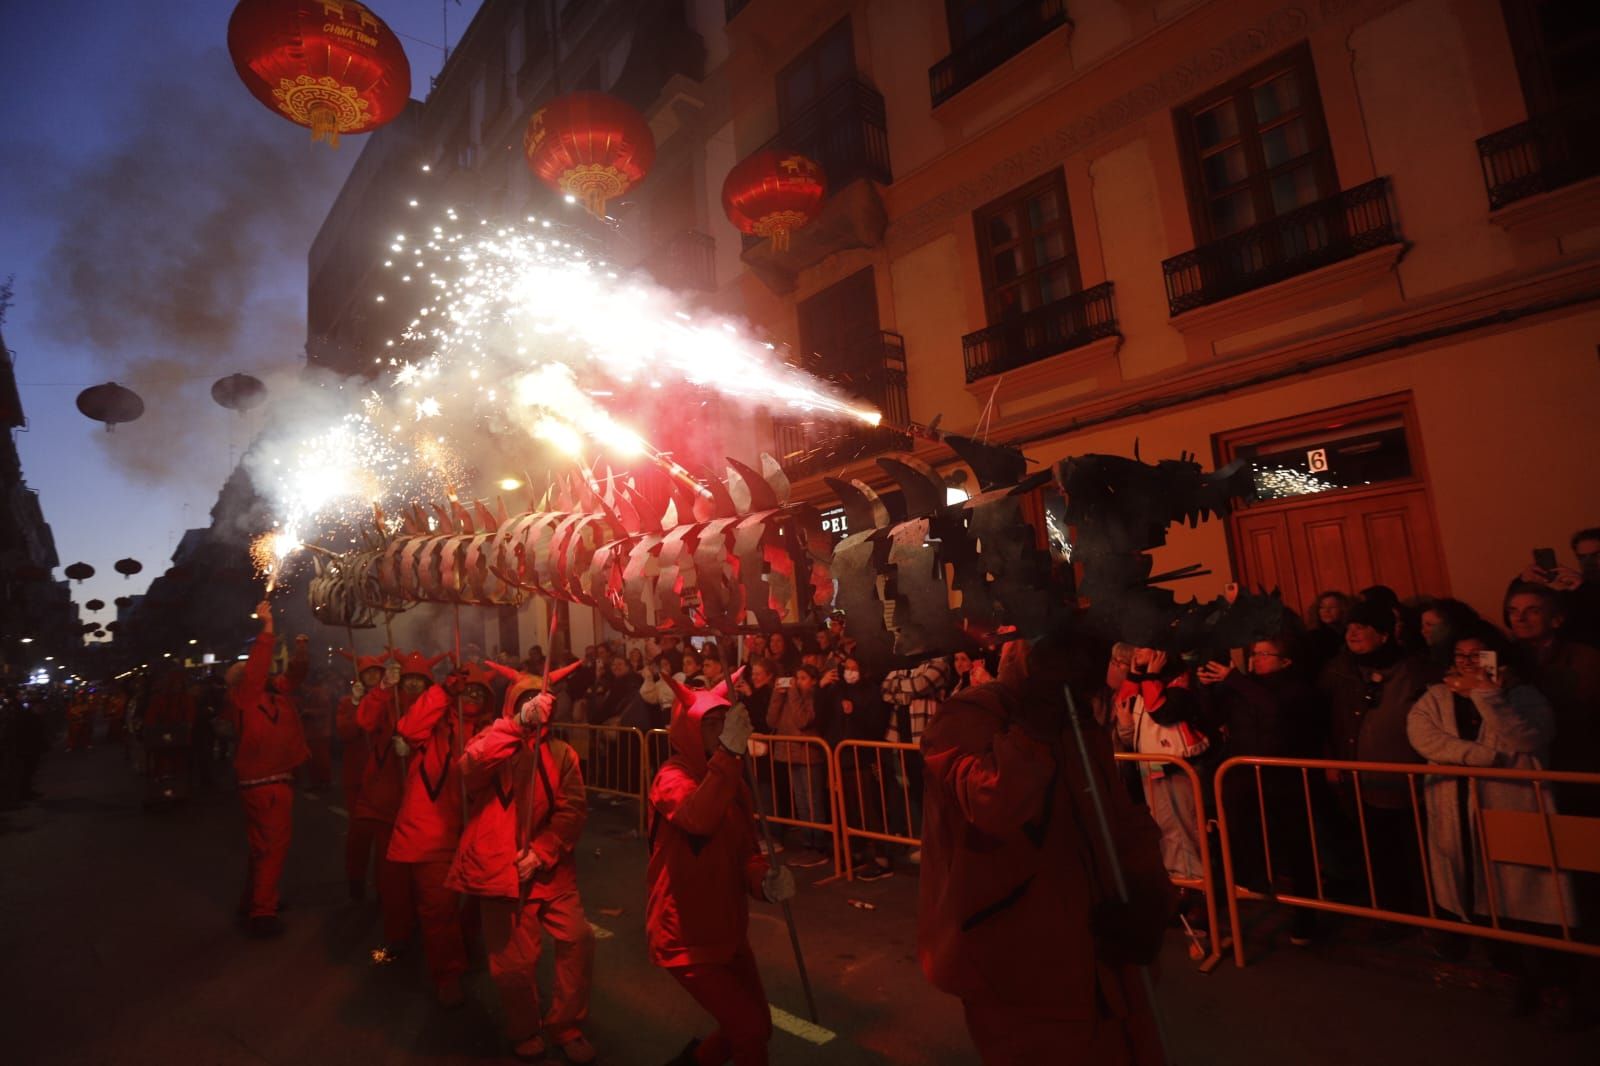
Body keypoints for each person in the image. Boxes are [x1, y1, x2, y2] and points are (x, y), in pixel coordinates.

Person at [919, 634, 1171, 1065]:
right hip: (1021, 962)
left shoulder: (1076, 718)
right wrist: (1034, 721)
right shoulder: (970, 711)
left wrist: (1150, 893)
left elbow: (1118, 815)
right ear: (1011, 649)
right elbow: (995, 803)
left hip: (1105, 947)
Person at [1407, 623, 1577, 1014]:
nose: (1468, 664)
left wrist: (1486, 695)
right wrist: (1479, 757)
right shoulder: (1435, 697)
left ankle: (1556, 982)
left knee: (1533, 899)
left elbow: (1527, 737)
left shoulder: (1522, 695)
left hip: (1513, 807)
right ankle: (1511, 978)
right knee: (1483, 897)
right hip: (1456, 809)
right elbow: (1423, 735)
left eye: (1477, 656)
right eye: (1461, 657)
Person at [448, 660, 596, 1064]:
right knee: (513, 964)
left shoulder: (562, 753)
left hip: (551, 871)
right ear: (513, 704)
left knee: (578, 941)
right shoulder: (492, 739)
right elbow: (470, 768)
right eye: (526, 699)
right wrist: (516, 724)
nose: (536, 706)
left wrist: (543, 853)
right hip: (501, 872)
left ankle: (565, 1023)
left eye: (540, 699)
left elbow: (572, 811)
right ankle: (525, 1028)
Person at [650, 676, 796, 1066]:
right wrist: (728, 755)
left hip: (728, 931)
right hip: (687, 936)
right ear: (688, 729)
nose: (717, 732)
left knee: (753, 1028)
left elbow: (746, 853)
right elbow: (698, 817)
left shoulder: (733, 781)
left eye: (721, 722)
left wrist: (764, 881)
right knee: (748, 1033)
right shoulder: (671, 777)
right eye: (707, 725)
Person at [384, 661, 499, 1008]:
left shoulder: (491, 730)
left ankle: (465, 945)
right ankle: (448, 973)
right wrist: (444, 691)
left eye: (481, 692)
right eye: (469, 690)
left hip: (476, 832)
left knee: (480, 901)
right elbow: (408, 727)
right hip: (430, 832)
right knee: (438, 908)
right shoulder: (435, 726)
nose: (473, 696)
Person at [1197, 634, 1322, 942]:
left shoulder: (1297, 688)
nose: (1256, 659)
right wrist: (1207, 687)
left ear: (1285, 661)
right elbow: (1212, 718)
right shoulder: (1241, 687)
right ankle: (1245, 901)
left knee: (1297, 848)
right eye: (1254, 653)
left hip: (1286, 778)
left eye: (1265, 654)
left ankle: (1306, 917)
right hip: (1244, 778)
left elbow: (1275, 711)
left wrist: (1235, 680)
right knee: (1244, 843)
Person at [1319, 600, 1430, 918]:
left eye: (1362, 627)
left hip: (1412, 784)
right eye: (1349, 627)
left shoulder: (1415, 670)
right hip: (1360, 782)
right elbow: (1323, 719)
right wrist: (1330, 759)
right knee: (1378, 853)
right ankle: (1390, 915)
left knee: (1417, 854)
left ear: (1383, 634)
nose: (1352, 633)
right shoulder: (1338, 671)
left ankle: (1426, 914)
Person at [357, 650, 448, 960]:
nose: (412, 685)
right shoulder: (388, 703)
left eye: (418, 680)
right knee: (393, 877)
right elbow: (365, 720)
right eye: (407, 679)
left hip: (425, 808)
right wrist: (382, 689)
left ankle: (430, 929)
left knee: (429, 882)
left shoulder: (439, 711)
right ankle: (399, 932)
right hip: (389, 803)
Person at [225, 601, 309, 938]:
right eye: (257, 672)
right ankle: (263, 912)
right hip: (263, 785)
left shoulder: (275, 694)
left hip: (275, 782)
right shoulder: (244, 697)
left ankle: (255, 899)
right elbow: (259, 669)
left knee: (263, 848)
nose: (267, 675)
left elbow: (294, 676)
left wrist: (302, 648)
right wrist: (267, 628)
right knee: (271, 848)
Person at [1111, 649, 1210, 888]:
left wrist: (1150, 676)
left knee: (1183, 830)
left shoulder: (1179, 681)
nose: (1137, 651)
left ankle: (1196, 887)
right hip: (1151, 767)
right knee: (1165, 830)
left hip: (1174, 767)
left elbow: (1163, 712)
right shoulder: (1146, 681)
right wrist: (1136, 675)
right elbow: (1124, 704)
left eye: (1144, 646)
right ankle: (1179, 882)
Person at [823, 655, 893, 879]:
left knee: (870, 808)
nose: (850, 672)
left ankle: (882, 856)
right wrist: (821, 688)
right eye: (847, 667)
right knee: (849, 808)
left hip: (862, 758)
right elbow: (823, 717)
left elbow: (876, 723)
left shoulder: (871, 692)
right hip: (840, 757)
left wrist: (856, 712)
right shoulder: (836, 690)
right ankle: (857, 850)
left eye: (854, 668)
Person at [767, 663, 832, 867]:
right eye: (797, 678)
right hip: (790, 753)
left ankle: (819, 845)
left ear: (813, 681)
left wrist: (794, 693)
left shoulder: (813, 697)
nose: (798, 682)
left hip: (808, 754)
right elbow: (772, 720)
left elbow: (802, 720)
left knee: (813, 801)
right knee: (801, 801)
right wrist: (777, 695)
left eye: (803, 678)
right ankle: (807, 842)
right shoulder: (790, 696)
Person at [335, 651, 384, 900]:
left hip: (384, 777)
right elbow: (344, 732)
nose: (373, 676)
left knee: (385, 835)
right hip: (358, 777)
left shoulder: (389, 700)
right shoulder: (347, 702)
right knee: (360, 834)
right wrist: (355, 707)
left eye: (377, 672)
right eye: (369, 673)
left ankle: (382, 886)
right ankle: (356, 880)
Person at [1418, 598, 1481, 682]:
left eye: (1429, 625)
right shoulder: (1429, 658)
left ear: (1450, 625)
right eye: (1423, 626)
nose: (1423, 631)